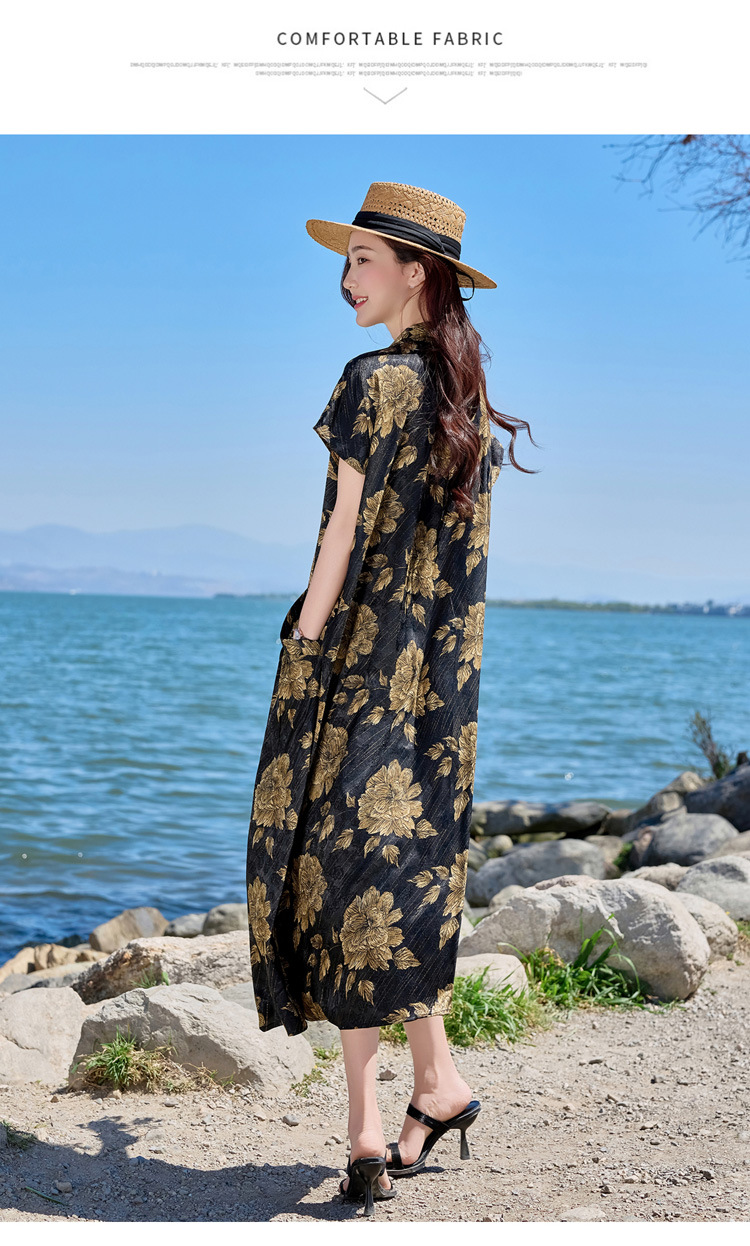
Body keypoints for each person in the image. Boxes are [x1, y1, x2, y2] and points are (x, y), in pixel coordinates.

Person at [245, 181, 536, 1216]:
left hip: (356, 672)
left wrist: (305, 638)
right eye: (346, 259)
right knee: (400, 883)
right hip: (438, 697)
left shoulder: (368, 383)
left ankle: (369, 1131)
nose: (346, 277)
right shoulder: (468, 409)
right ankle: (433, 1090)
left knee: (336, 884)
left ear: (418, 272)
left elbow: (340, 532)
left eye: (364, 258)